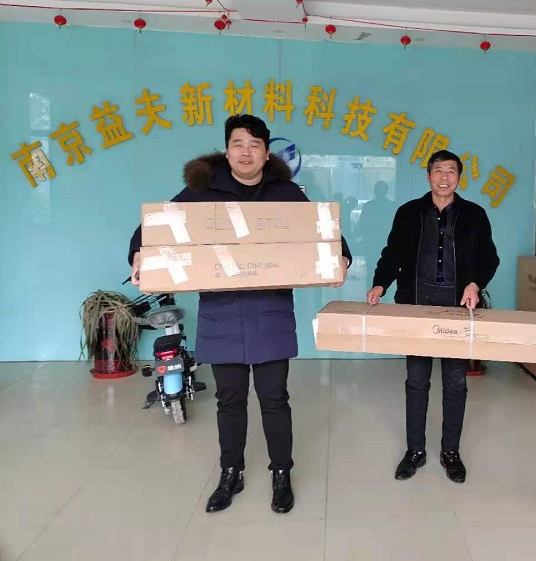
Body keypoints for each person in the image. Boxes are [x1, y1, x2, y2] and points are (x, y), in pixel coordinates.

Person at [127, 114, 352, 515]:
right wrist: (140, 255)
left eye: (254, 145)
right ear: (227, 150)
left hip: (270, 311)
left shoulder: (285, 193)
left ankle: (281, 473)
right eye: (238, 144)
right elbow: (154, 228)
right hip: (222, 312)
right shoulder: (202, 190)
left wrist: (341, 260)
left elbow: (325, 233)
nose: (246, 152)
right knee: (229, 399)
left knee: (274, 397)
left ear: (266, 153)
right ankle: (231, 471)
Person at [366, 150, 499, 484]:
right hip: (416, 304)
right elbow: (392, 253)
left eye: (451, 171)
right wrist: (380, 283)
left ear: (459, 178)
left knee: (455, 382)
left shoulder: (474, 215)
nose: (444, 177)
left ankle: (450, 452)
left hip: (457, 305)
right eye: (438, 171)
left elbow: (489, 257)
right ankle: (415, 451)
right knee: (416, 380)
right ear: (428, 176)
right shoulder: (408, 213)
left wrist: (474, 283)